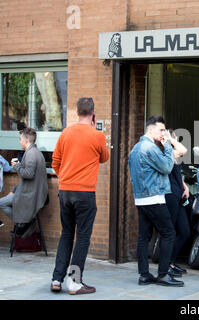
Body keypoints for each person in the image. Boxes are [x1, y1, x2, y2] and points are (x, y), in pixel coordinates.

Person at [50, 97, 109, 295]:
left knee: (66, 234)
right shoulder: (97, 135)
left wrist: (64, 178)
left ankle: (57, 279)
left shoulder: (66, 133)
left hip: (65, 191)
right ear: (93, 113)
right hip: (85, 193)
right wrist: (94, 127)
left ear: (77, 112)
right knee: (82, 238)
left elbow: (55, 162)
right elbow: (104, 157)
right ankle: (74, 282)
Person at [129, 116, 183, 287]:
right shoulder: (150, 148)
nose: (163, 133)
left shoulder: (135, 148)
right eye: (161, 130)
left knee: (144, 237)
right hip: (154, 198)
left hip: (141, 199)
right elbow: (167, 167)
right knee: (168, 234)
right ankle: (163, 274)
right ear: (150, 129)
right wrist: (168, 145)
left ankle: (144, 275)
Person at [0, 128, 48, 231]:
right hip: (29, 192)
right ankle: (23, 222)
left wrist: (17, 166)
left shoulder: (31, 154)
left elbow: (28, 175)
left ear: (26, 140)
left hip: (29, 196)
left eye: (20, 139)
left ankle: (23, 223)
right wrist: (14, 191)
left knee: (1, 203)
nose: (19, 142)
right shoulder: (35, 152)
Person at [165, 129, 190, 275]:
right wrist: (170, 139)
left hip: (179, 196)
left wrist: (185, 187)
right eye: (174, 137)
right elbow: (183, 150)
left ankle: (172, 262)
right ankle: (167, 264)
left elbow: (178, 175)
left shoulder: (173, 155)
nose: (176, 139)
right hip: (170, 196)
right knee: (170, 232)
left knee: (184, 231)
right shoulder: (167, 153)